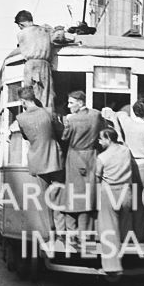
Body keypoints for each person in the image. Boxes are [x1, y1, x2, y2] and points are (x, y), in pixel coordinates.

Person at [104, 98, 144, 243]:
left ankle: (137, 234)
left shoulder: (127, 122)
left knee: (136, 202)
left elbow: (118, 113)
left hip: (131, 164)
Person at [14, 84, 66, 235]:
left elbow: (25, 136)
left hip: (37, 160)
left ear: (23, 102)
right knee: (57, 194)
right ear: (33, 98)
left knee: (43, 198)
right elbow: (60, 133)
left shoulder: (20, 118)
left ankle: (48, 230)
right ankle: (61, 229)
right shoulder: (48, 112)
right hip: (54, 157)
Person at [60, 89, 103, 237]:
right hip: (91, 156)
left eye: (71, 103)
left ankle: (72, 232)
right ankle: (85, 232)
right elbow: (103, 132)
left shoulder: (71, 119)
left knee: (72, 195)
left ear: (80, 103)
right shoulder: (96, 115)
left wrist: (66, 121)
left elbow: (64, 138)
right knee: (88, 195)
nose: (68, 105)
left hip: (75, 157)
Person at [95, 127, 135, 277]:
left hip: (109, 193)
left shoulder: (102, 157)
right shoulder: (126, 151)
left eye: (101, 138)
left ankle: (112, 268)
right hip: (126, 193)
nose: (99, 141)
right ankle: (124, 261)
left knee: (108, 231)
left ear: (108, 139)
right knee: (123, 230)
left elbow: (97, 176)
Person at [8, 10, 54, 112]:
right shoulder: (46, 31)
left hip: (32, 65)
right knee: (46, 95)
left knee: (30, 94)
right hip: (46, 65)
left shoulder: (22, 33)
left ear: (21, 24)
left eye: (20, 26)